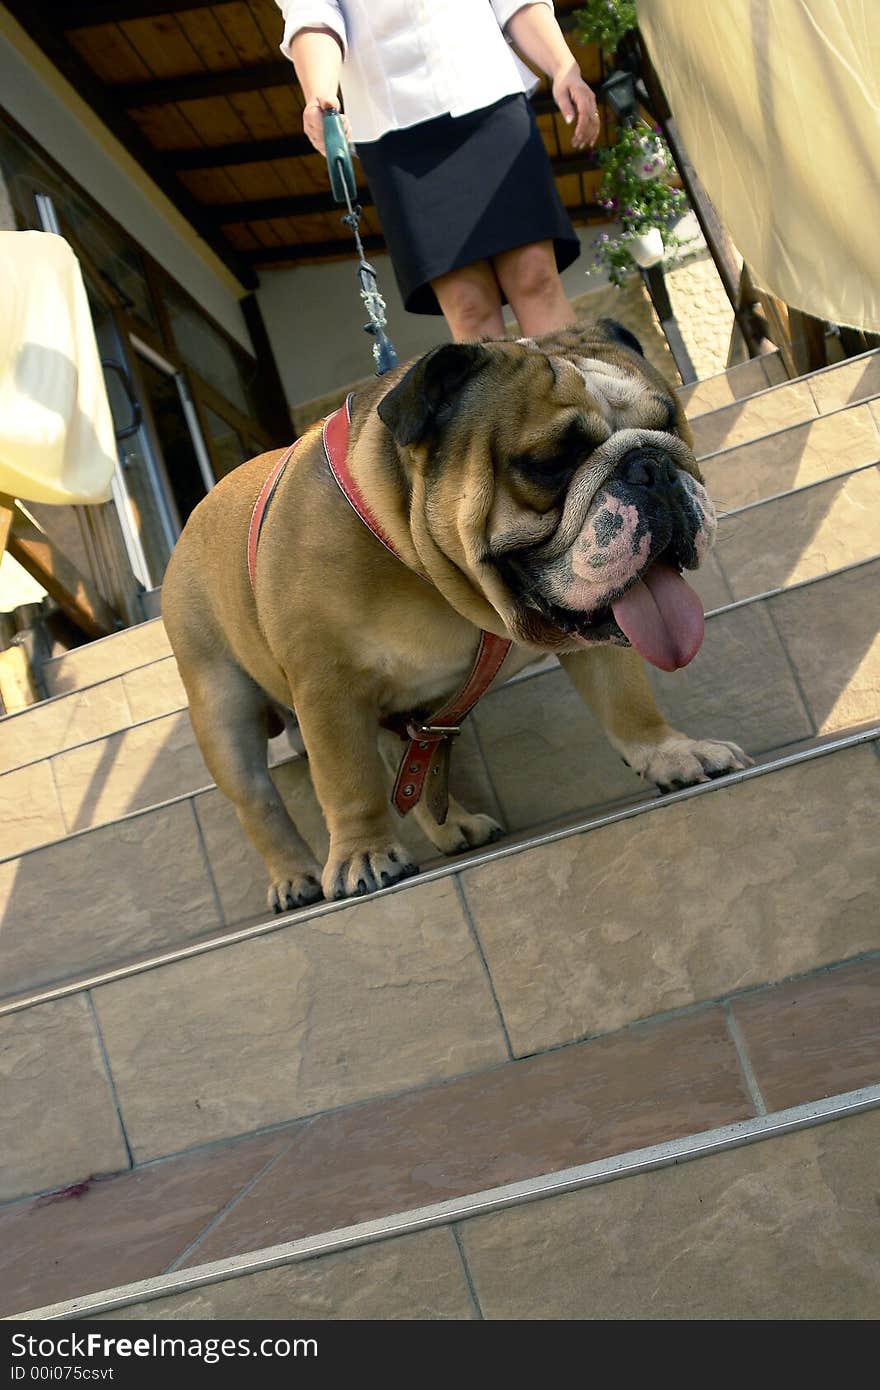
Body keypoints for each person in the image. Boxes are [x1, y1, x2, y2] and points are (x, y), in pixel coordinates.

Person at [275, 2, 600, 340]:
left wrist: (563, 66)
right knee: (467, 305)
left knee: (535, 276)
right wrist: (320, 94)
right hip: (390, 125)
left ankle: (568, 394)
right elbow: (312, 13)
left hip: (488, 88)